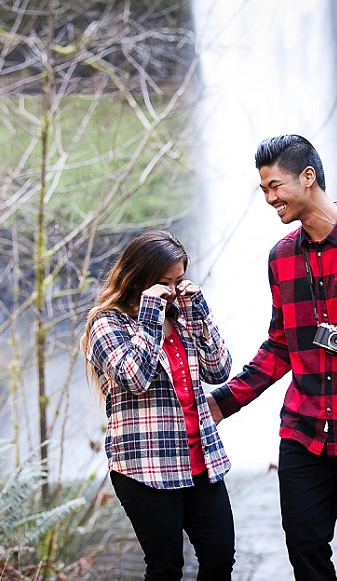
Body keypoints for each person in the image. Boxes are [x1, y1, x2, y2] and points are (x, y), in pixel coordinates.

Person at [206, 135, 337, 580]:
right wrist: (221, 403)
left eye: (274, 186)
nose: (268, 199)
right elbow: (281, 346)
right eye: (263, 190)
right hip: (303, 434)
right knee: (305, 550)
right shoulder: (281, 257)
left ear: (308, 178)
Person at [82, 230, 236, 580]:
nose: (171, 290)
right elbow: (135, 377)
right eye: (163, 282)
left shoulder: (181, 315)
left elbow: (220, 369)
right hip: (145, 466)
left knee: (220, 559)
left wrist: (198, 309)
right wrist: (151, 313)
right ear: (138, 278)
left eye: (179, 280)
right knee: (166, 568)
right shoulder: (106, 323)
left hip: (201, 461)